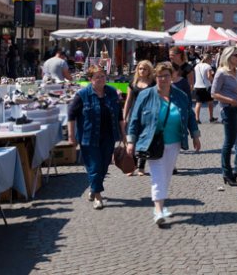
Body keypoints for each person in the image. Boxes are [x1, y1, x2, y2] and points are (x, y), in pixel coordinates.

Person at [126, 62, 201, 226]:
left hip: (174, 141)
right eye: (159, 76)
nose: (163, 79)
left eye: (166, 75)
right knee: (158, 174)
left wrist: (195, 136)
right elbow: (135, 118)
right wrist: (131, 141)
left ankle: (160, 205)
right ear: (155, 77)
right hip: (152, 142)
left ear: (172, 76)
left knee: (166, 175)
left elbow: (189, 116)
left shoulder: (180, 96)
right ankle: (158, 210)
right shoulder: (146, 95)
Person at [67, 65, 125, 209]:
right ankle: (98, 197)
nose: (100, 79)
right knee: (94, 166)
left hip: (109, 135)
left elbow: (119, 115)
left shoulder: (112, 93)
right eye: (97, 77)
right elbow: (71, 116)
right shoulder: (82, 95)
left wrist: (124, 135)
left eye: (103, 76)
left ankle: (94, 188)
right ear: (90, 79)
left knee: (104, 166)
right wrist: (71, 136)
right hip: (88, 137)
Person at [211, 46, 237, 186]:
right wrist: (230, 101)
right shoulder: (221, 73)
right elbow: (214, 93)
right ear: (228, 57)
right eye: (236, 55)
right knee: (229, 142)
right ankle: (227, 173)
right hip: (229, 110)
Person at [122, 60, 156, 177]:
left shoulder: (153, 83)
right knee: (132, 140)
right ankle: (132, 166)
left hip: (149, 115)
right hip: (135, 115)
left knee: (145, 140)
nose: (142, 71)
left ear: (149, 71)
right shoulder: (133, 83)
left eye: (145, 69)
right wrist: (124, 116)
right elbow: (128, 100)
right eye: (140, 68)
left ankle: (141, 166)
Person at [193, 54, 217, 123]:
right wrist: (213, 80)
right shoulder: (208, 66)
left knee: (198, 103)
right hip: (206, 87)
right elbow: (209, 76)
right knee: (210, 102)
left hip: (197, 86)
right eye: (211, 60)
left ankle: (197, 119)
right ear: (208, 59)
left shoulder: (197, 66)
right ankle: (211, 117)